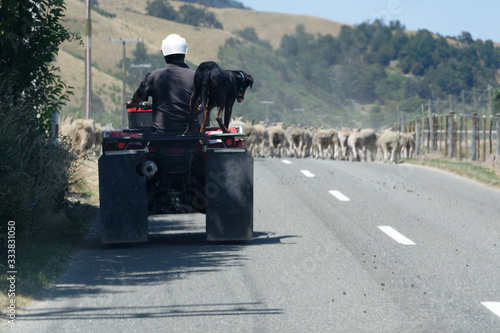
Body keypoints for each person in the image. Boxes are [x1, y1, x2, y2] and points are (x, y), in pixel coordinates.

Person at [126, 33, 199, 133]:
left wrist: (134, 102)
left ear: (165, 55)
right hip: (192, 134)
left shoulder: (153, 77)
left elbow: (138, 96)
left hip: (160, 134)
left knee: (143, 138)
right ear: (184, 54)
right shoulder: (196, 77)